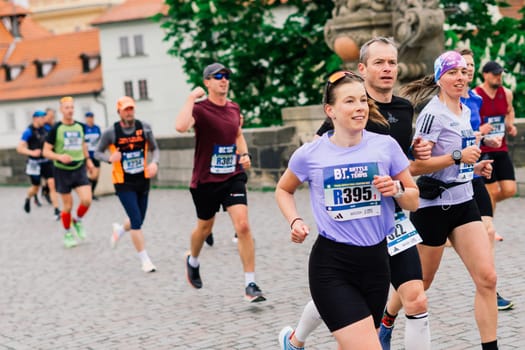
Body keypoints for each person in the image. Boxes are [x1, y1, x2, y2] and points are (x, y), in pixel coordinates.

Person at [279, 37, 432, 350]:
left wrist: (397, 189)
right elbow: (284, 189)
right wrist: (295, 220)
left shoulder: (385, 147)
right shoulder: (311, 153)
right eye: (349, 101)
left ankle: (293, 342)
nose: (360, 107)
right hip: (332, 264)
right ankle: (295, 339)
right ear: (330, 111)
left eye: (363, 101)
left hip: (377, 261)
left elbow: (413, 198)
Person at [401, 51, 499, 350]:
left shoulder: (465, 110)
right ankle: (388, 317)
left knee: (488, 279)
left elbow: (459, 161)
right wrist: (457, 156)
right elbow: (415, 168)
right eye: (452, 73)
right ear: (440, 78)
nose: (459, 77)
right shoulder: (432, 114)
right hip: (434, 208)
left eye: (463, 72)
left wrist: (473, 167)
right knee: (421, 284)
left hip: (464, 202)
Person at [175, 62, 265, 302]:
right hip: (206, 179)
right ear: (207, 82)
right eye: (217, 76)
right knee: (204, 228)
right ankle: (192, 260)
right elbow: (180, 126)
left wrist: (244, 154)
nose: (223, 80)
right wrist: (191, 98)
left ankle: (251, 284)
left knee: (243, 226)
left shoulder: (234, 109)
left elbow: (237, 135)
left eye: (226, 76)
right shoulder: (200, 109)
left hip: (233, 175)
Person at [460, 50, 513, 310]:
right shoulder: (436, 103)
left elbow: (472, 135)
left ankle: (490, 288)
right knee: (421, 279)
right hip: (443, 184)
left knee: (488, 231)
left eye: (470, 65)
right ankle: (389, 316)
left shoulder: (474, 99)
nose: (467, 69)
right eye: (462, 66)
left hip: (472, 175)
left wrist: (483, 140)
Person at [95, 96, 159, 273]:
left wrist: (154, 163)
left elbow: (155, 149)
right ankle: (145, 260)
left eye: (131, 109)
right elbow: (96, 152)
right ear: (119, 112)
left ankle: (120, 229)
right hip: (123, 182)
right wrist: (109, 158)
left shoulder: (144, 127)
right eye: (125, 109)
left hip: (142, 179)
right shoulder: (111, 132)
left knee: (138, 218)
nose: (129, 112)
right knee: (137, 222)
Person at [474, 61, 518, 242]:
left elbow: (509, 111)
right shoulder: (476, 95)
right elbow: (469, 118)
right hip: (484, 149)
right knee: (490, 192)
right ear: (485, 74)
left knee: (509, 190)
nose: (498, 76)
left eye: (500, 73)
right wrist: (481, 128)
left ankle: (477, 208)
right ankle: (488, 228)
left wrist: (511, 124)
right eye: (494, 74)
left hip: (501, 147)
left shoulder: (506, 93)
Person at [43, 96, 94, 248]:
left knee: (87, 200)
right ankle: (67, 233)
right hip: (62, 171)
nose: (70, 110)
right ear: (61, 110)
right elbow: (45, 151)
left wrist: (88, 160)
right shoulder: (55, 129)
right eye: (66, 108)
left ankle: (77, 220)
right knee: (68, 206)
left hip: (79, 168)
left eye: (72, 107)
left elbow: (83, 144)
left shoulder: (80, 126)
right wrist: (59, 156)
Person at [17, 110, 55, 215]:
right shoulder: (28, 131)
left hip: (46, 161)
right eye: (42, 118)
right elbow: (19, 148)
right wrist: (32, 152)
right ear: (35, 119)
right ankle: (28, 198)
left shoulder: (46, 129)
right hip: (34, 163)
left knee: (52, 183)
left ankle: (56, 210)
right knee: (35, 187)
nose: (44, 120)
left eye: (44, 118)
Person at [84, 111, 102, 200]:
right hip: (87, 154)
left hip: (96, 154)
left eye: (91, 117)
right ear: (86, 118)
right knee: (91, 174)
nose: (90, 119)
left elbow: (100, 140)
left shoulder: (97, 128)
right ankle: (85, 187)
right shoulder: (83, 128)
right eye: (88, 117)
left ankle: (91, 192)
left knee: (96, 176)